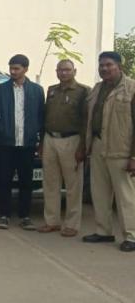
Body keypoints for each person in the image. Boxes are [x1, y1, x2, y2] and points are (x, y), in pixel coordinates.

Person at [82, 52, 135, 252]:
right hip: (98, 145)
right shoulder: (97, 89)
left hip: (121, 150)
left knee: (125, 196)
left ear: (119, 66)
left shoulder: (131, 88)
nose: (104, 68)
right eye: (101, 65)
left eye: (109, 65)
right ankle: (103, 231)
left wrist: (134, 156)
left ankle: (131, 235)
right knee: (100, 193)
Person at [0, 54, 45, 231]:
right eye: (11, 68)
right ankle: (4, 215)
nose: (13, 71)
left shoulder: (36, 90)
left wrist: (36, 133)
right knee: (4, 180)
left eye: (17, 68)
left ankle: (25, 216)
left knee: (26, 181)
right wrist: (2, 127)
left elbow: (41, 115)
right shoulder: (0, 90)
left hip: (27, 144)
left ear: (26, 69)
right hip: (6, 143)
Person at [38, 59, 89, 237]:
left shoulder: (83, 91)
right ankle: (52, 221)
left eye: (67, 70)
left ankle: (72, 224)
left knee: (73, 185)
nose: (63, 73)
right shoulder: (52, 90)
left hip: (71, 140)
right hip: (50, 139)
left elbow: (86, 121)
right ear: (56, 72)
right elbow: (45, 117)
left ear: (74, 71)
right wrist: (42, 143)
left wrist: (82, 146)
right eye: (60, 70)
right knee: (50, 183)